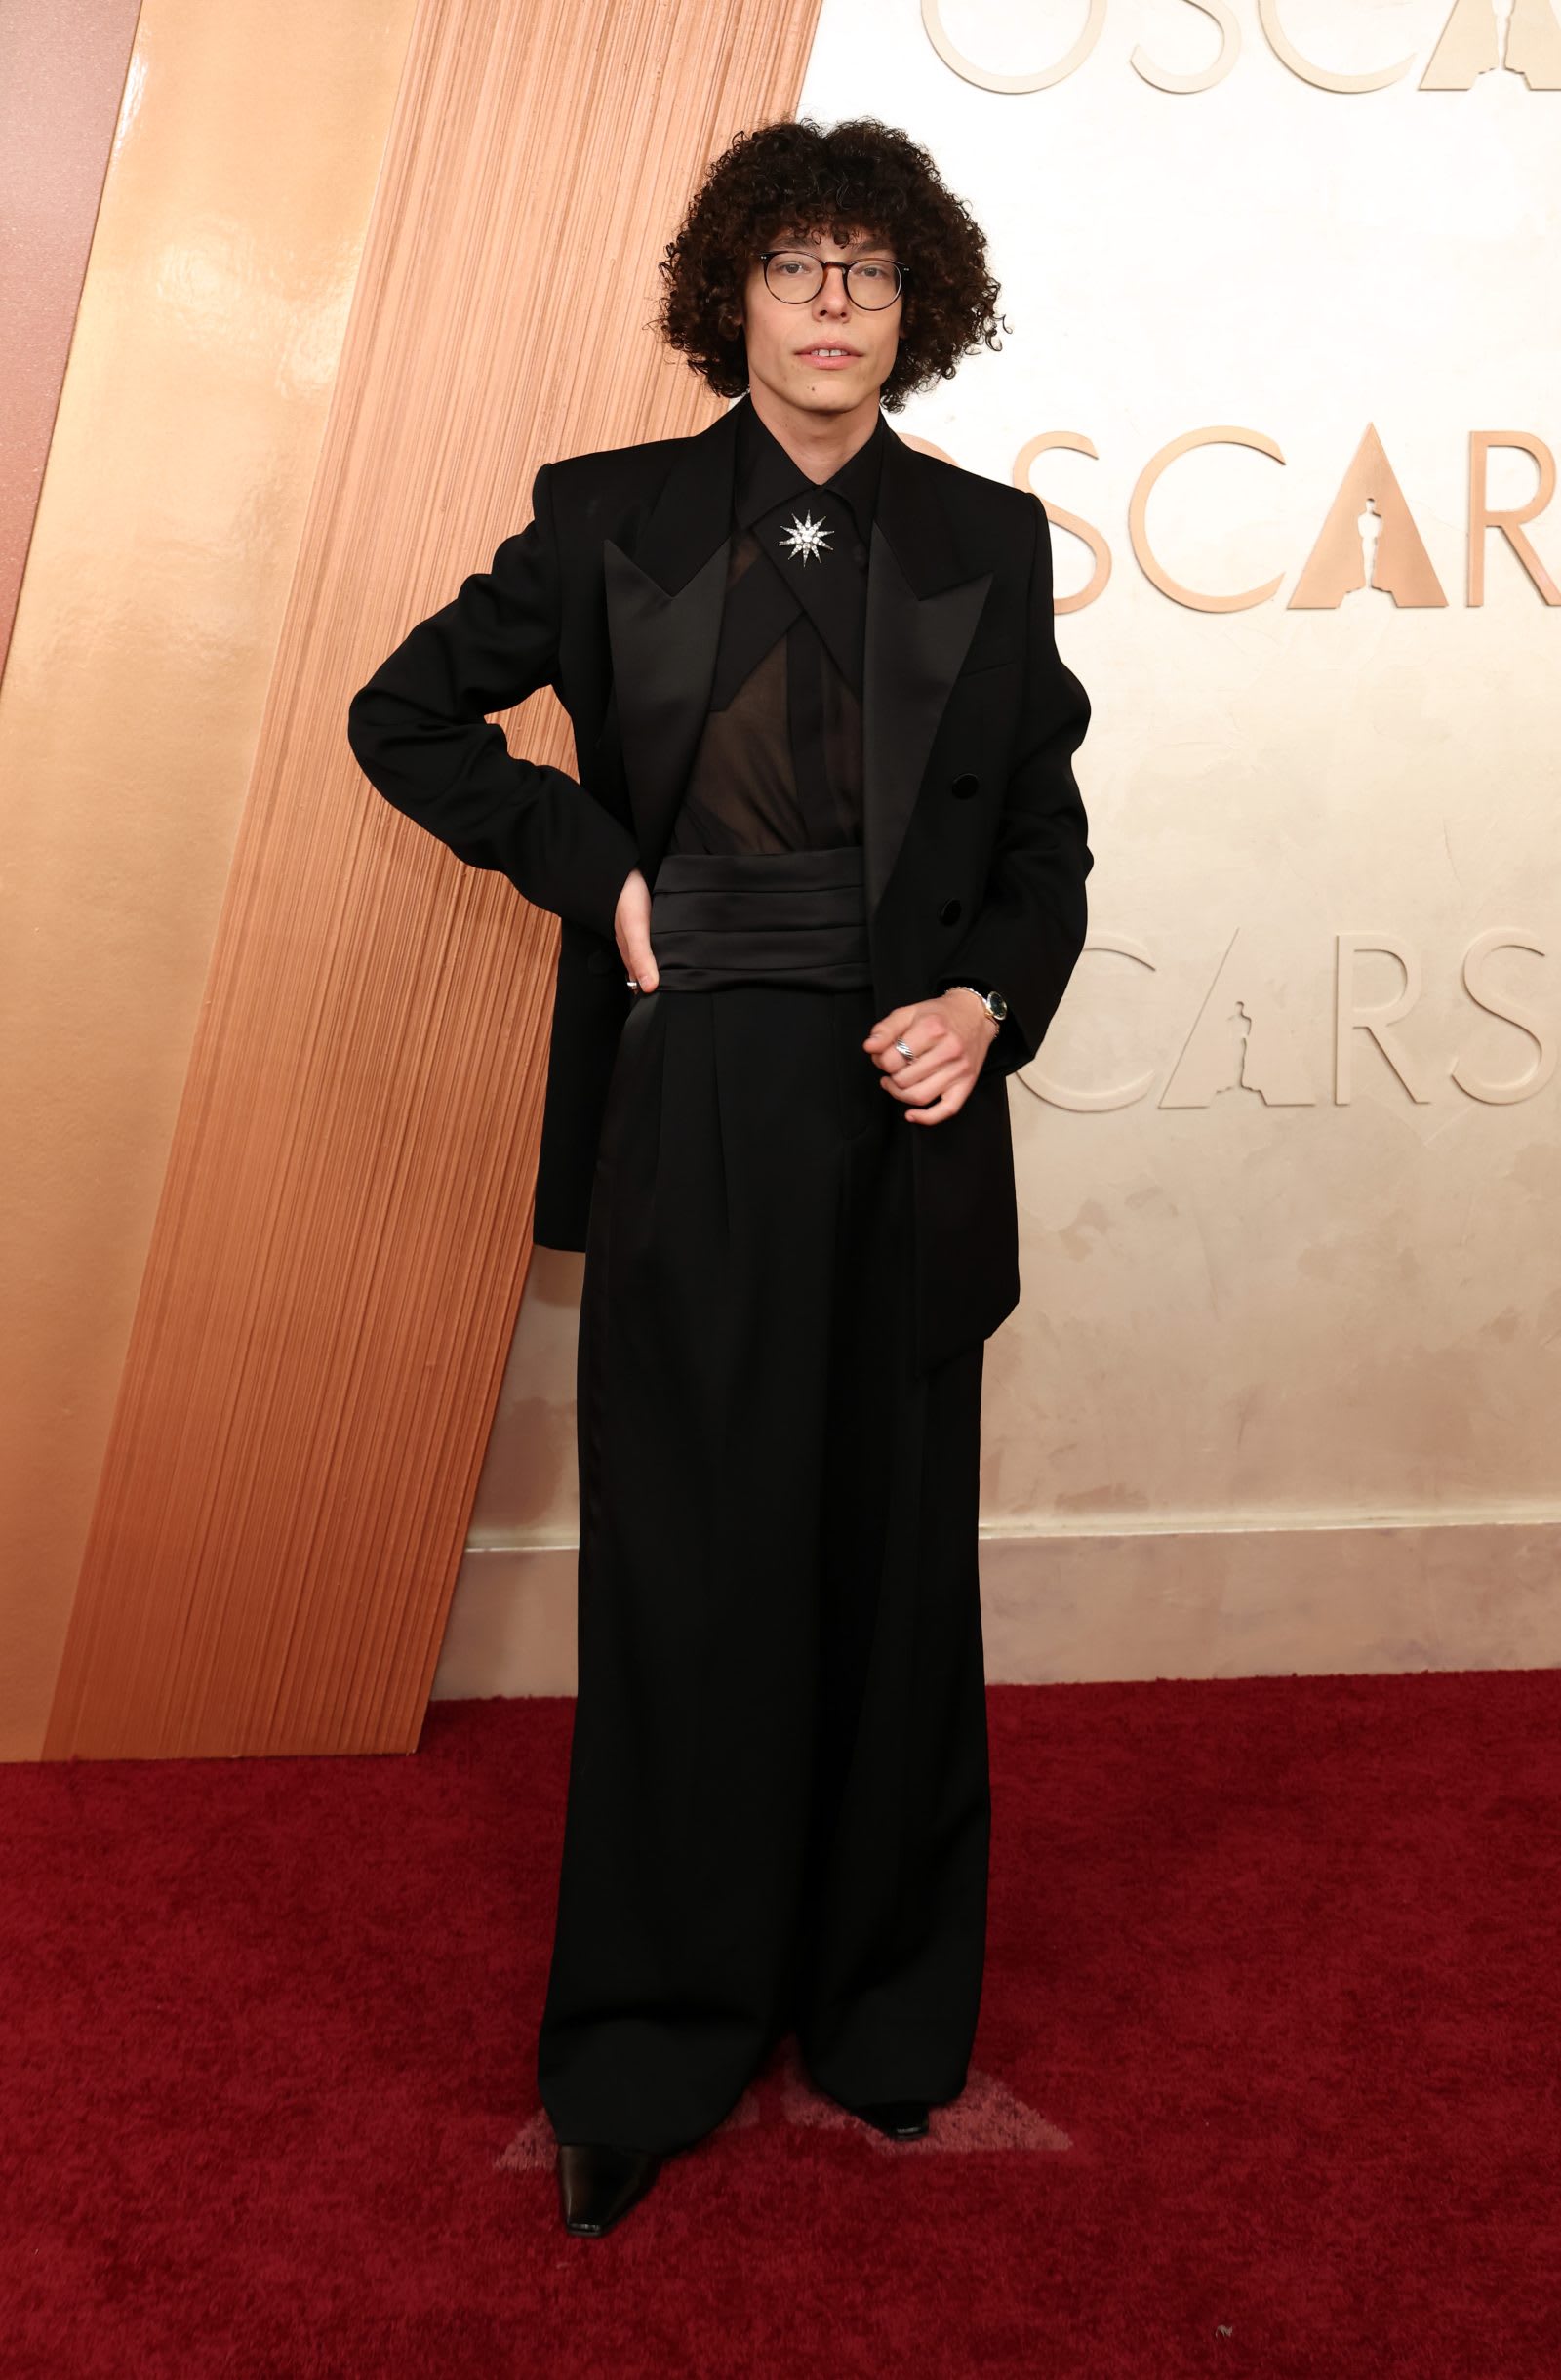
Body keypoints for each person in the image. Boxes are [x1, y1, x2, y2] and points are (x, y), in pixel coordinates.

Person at [346, 114, 1093, 2239]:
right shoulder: (605, 518)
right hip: (691, 1091)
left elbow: (1042, 846)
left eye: (869, 269)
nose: (832, 302)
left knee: (885, 1569)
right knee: (683, 1567)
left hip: (904, 1098)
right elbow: (402, 717)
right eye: (797, 266)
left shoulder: (986, 539)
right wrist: (603, 882)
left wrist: (987, 1010)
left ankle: (877, 2020)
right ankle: (649, 2038)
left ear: (916, 304)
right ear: (733, 298)